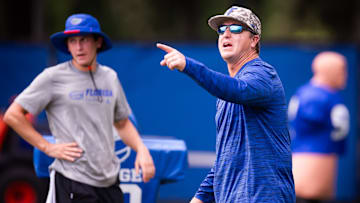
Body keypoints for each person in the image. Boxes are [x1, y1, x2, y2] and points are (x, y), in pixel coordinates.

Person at [3, 13, 155, 203]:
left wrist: (142, 149)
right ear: (67, 45)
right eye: (72, 41)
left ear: (98, 42)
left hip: (110, 182)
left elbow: (122, 123)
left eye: (84, 40)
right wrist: (47, 147)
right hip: (72, 181)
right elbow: (13, 115)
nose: (78, 47)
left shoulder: (110, 77)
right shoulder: (52, 77)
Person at [157, 6, 295, 203]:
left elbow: (238, 89)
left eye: (236, 29)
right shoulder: (225, 95)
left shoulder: (263, 74)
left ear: (254, 40)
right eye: (221, 30)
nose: (226, 34)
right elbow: (226, 159)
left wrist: (188, 65)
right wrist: (199, 199)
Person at [288, 51, 349, 203]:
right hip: (311, 165)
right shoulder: (315, 96)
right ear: (327, 70)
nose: (345, 75)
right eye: (341, 69)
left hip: (320, 162)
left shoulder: (320, 94)